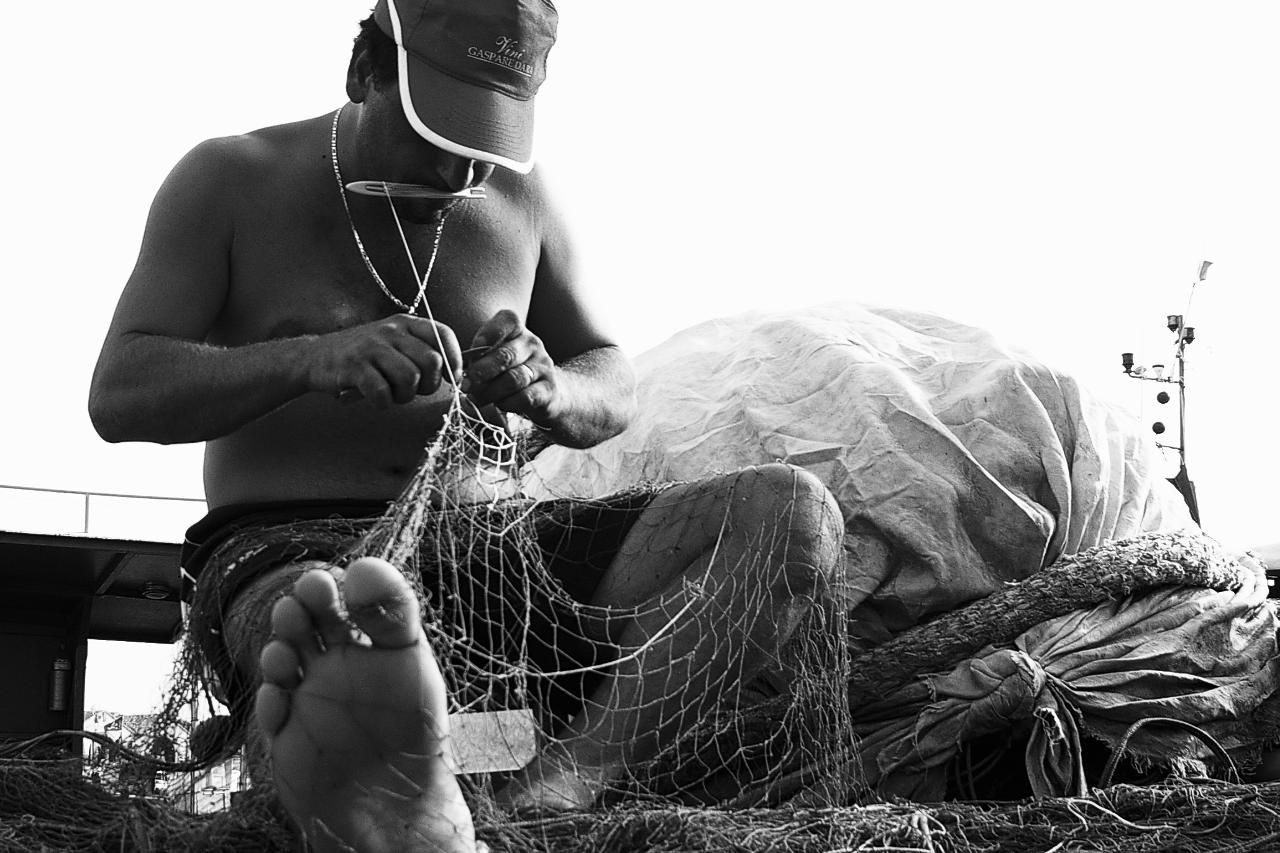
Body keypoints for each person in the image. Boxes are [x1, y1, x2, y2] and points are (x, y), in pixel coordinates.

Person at [89, 1, 844, 851]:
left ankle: (556, 784)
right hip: (289, 550)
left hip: (503, 548)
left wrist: (549, 390)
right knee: (329, 640)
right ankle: (392, 763)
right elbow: (120, 393)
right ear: (364, 73)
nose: (459, 173)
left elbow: (612, 377)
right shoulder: (229, 178)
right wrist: (310, 358)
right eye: (437, 134)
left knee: (792, 514)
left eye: (483, 141)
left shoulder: (521, 200)